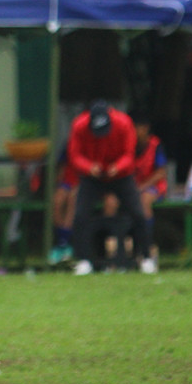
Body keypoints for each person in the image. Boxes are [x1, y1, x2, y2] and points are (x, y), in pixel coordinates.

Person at [66, 99, 157, 275]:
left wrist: (118, 167)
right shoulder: (79, 126)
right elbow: (75, 155)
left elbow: (129, 155)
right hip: (92, 176)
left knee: (138, 213)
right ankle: (84, 260)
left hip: (120, 176)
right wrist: (88, 167)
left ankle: (145, 257)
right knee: (80, 215)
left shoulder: (123, 123)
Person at [102, 113, 168, 264]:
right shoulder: (125, 144)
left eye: (136, 128)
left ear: (145, 128)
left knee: (144, 201)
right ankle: (111, 249)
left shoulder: (155, 145)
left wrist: (141, 187)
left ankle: (146, 246)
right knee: (110, 202)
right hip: (129, 187)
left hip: (152, 186)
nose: (132, 131)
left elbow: (161, 173)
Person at [47, 149, 79, 265]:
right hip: (67, 182)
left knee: (73, 199)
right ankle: (61, 243)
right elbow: (61, 167)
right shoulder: (69, 144)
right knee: (57, 200)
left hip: (84, 182)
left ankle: (66, 243)